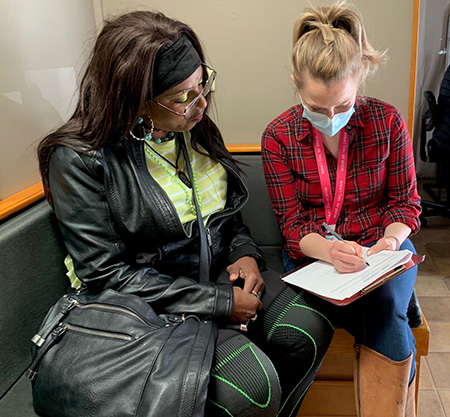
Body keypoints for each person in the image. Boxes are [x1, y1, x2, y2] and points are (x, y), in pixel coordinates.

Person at [37, 10, 334, 417]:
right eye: (182, 96)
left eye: (202, 85)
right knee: (252, 387)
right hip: (147, 306)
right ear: (133, 99)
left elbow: (227, 216)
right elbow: (106, 275)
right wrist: (218, 302)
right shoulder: (78, 159)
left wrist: (244, 254)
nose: (201, 104)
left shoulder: (194, 129)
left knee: (307, 327)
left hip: (213, 278)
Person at [261, 2, 421, 416]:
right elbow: (293, 226)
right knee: (294, 332)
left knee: (386, 315)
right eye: (316, 108)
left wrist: (387, 242)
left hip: (379, 254)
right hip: (315, 256)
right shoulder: (279, 136)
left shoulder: (387, 123)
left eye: (342, 106)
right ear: (296, 83)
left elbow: (406, 204)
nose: (331, 118)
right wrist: (331, 251)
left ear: (360, 78)